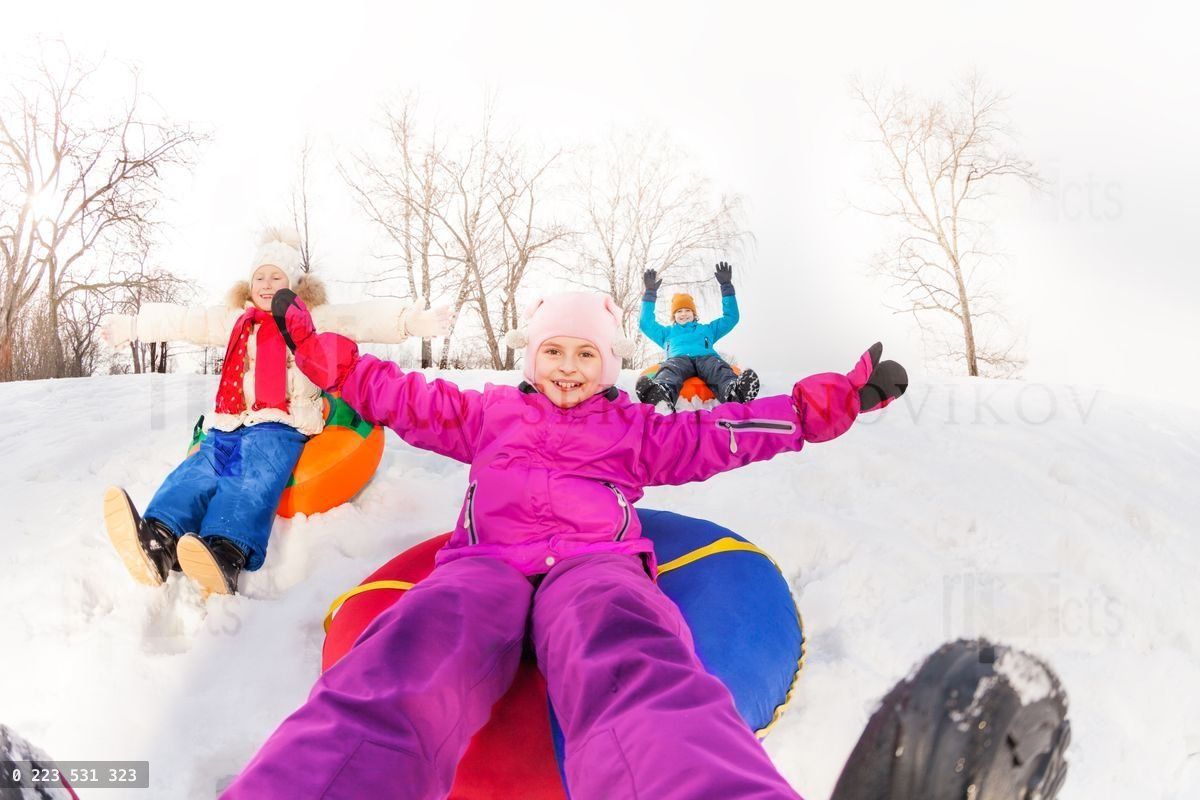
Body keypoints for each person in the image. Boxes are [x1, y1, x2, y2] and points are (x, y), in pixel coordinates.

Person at [220, 288, 907, 799]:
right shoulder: (488, 413)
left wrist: (821, 408)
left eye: (586, 354)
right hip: (484, 568)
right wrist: (324, 360)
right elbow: (399, 396)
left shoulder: (634, 430)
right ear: (532, 356)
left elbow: (720, 433)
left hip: (593, 569)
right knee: (412, 652)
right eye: (554, 350)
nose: (568, 366)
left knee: (631, 655)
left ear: (608, 366)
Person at [99, 228, 450, 595]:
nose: (267, 285)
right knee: (200, 469)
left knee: (254, 474)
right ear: (249, 285)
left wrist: (409, 321)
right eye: (260, 277)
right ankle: (158, 538)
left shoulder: (309, 318)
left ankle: (225, 549)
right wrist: (135, 326)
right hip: (231, 421)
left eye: (276, 277)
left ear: (293, 284)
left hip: (281, 423)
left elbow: (358, 319)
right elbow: (190, 322)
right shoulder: (237, 320)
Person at [637, 261, 759, 408]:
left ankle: (734, 391)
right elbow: (645, 323)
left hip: (706, 357)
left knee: (717, 368)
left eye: (687, 310)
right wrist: (650, 293)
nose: (684, 314)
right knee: (670, 369)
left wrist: (726, 287)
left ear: (694, 314)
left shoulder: (707, 329)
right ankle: (661, 395)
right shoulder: (667, 333)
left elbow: (731, 318)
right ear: (673, 316)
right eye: (679, 311)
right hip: (678, 359)